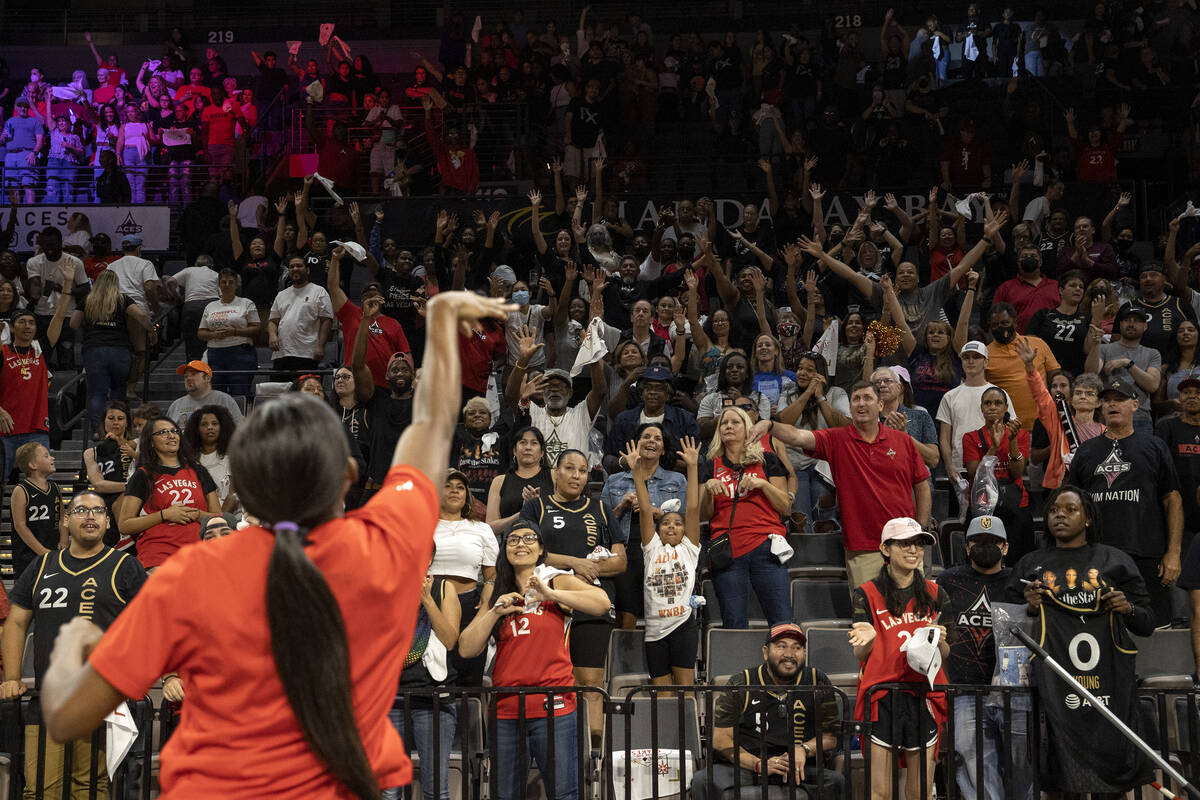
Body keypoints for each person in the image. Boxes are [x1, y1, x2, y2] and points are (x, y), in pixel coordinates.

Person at [38, 292, 513, 798]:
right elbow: (432, 427)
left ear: (243, 486)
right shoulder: (381, 546)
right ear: (348, 474)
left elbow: (67, 717)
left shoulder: (193, 572)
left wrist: (74, 648)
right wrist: (440, 325)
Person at [1006, 486, 1154, 795]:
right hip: (1053, 694)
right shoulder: (1030, 565)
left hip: (1109, 692)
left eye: (1070, 509)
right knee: (1061, 784)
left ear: (1088, 518)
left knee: (1112, 785)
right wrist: (1028, 608)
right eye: (1054, 509)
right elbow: (1007, 629)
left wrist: (1127, 608)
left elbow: (1147, 623)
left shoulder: (1115, 560)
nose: (1059, 514)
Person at [0, 490, 147, 800]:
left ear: (109, 522)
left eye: (97, 511)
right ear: (65, 520)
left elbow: (151, 625)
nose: (90, 516)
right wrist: (12, 677)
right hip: (47, 699)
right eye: (81, 511)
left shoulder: (125, 566)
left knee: (89, 790)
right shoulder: (42, 566)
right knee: (39, 789)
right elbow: (15, 622)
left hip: (100, 700)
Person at [458, 518, 610, 800]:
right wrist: (495, 612)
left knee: (564, 794)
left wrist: (550, 594)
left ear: (541, 549)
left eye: (529, 538)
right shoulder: (496, 590)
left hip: (554, 706)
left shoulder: (555, 578)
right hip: (506, 708)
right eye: (513, 540)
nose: (520, 544)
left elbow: (601, 602)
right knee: (505, 795)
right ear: (504, 551)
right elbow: (467, 648)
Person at [765, 380, 932, 588]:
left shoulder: (903, 441)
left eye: (868, 398)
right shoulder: (837, 439)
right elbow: (797, 436)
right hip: (862, 547)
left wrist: (921, 528)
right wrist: (770, 425)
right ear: (850, 407)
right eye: (856, 399)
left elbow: (922, 485)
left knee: (912, 615)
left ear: (880, 406)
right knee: (868, 617)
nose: (861, 404)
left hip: (905, 543)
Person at [521, 449, 626, 743]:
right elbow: (527, 550)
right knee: (553, 680)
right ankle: (554, 746)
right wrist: (573, 563)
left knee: (590, 682)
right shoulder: (535, 507)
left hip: (592, 602)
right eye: (570, 468)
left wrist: (587, 573)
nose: (577, 475)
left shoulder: (601, 509)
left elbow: (620, 561)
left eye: (582, 470)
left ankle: (592, 756)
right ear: (556, 473)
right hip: (547, 602)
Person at [1066, 375, 1183, 625]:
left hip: (1147, 554)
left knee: (1153, 628)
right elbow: (1071, 506)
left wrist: (1173, 552)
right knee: (1097, 628)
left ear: (1135, 404)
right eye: (1106, 400)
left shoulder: (1155, 447)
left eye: (1119, 399)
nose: (1112, 404)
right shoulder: (1085, 452)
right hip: (1095, 557)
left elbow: (1172, 500)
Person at [848, 517, 949, 800]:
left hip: (924, 696)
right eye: (904, 543)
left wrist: (941, 642)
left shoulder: (937, 593)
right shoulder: (865, 594)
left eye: (918, 544)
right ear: (885, 548)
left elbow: (946, 653)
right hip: (882, 696)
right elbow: (860, 653)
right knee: (880, 792)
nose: (913, 550)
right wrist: (866, 640)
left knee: (919, 792)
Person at [936, 515, 1032, 800]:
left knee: (1022, 764)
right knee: (975, 764)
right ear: (966, 547)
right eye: (978, 541)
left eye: (992, 542)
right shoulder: (948, 580)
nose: (984, 546)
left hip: (1014, 688)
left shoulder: (1020, 583)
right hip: (964, 689)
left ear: (1005, 547)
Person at [692, 623, 843, 800]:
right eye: (781, 646)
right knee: (703, 781)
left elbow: (830, 737)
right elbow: (720, 740)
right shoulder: (741, 682)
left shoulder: (818, 681)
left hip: (798, 768)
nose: (789, 654)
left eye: (797, 648)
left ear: (804, 653)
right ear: (765, 652)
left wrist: (803, 749)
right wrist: (757, 763)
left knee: (835, 781)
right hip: (749, 765)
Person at [701, 405, 792, 628]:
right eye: (724, 423)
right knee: (733, 623)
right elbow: (704, 514)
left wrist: (762, 484)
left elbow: (785, 508)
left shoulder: (767, 460)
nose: (728, 426)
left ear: (747, 428)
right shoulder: (710, 465)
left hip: (766, 548)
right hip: (728, 552)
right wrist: (708, 490)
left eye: (735, 422)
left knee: (782, 621)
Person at [628, 435, 702, 686]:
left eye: (677, 524)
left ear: (684, 530)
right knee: (663, 695)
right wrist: (637, 474)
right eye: (666, 523)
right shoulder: (651, 549)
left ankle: (689, 727)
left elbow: (692, 508)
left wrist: (692, 467)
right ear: (658, 530)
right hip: (655, 631)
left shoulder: (689, 549)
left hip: (683, 626)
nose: (671, 526)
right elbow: (646, 510)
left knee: (685, 689)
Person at [603, 421, 688, 630]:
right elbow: (602, 524)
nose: (651, 441)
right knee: (625, 614)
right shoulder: (614, 481)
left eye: (657, 438)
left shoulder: (677, 480)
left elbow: (685, 522)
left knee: (661, 610)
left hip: (663, 551)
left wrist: (655, 511)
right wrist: (622, 505)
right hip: (625, 550)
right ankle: (627, 658)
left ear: (663, 449)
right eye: (646, 437)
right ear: (636, 444)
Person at [390, 552, 460, 800]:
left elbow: (450, 641)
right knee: (389, 791)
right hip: (390, 699)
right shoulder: (382, 588)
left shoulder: (443, 588)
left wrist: (427, 601)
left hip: (433, 700)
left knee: (436, 790)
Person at [116, 416, 222, 569]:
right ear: (151, 442)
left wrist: (197, 514)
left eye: (174, 431)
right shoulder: (142, 475)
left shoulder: (199, 471)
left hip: (200, 553)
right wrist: (164, 515)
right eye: (163, 432)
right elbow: (125, 525)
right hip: (159, 556)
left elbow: (218, 518)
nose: (171, 435)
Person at [431, 469, 498, 687]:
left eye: (460, 487)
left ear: (467, 495)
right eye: (448, 486)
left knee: (468, 676)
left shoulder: (481, 529)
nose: (454, 491)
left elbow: (491, 574)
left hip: (470, 605)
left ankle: (469, 720)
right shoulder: (422, 525)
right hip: (430, 604)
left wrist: (488, 591)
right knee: (432, 672)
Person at [0, 291, 72, 486]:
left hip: (37, 429)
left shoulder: (40, 350)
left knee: (40, 483)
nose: (27, 326)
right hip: (5, 430)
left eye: (31, 322)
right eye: (22, 322)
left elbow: (58, 317)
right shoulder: (3, 352)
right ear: (12, 328)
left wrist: (66, 287)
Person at [72, 268, 157, 431]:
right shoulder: (122, 299)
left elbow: (73, 323)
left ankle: (97, 430)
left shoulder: (88, 300)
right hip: (119, 350)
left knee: (97, 392)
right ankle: (117, 430)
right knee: (119, 390)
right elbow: (142, 316)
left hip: (94, 349)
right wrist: (152, 332)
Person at [962, 386, 1034, 561]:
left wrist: (1012, 440)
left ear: (1006, 407)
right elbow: (974, 474)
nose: (992, 407)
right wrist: (994, 446)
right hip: (982, 506)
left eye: (997, 403)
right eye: (987, 403)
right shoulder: (971, 437)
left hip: (1015, 506)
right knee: (981, 559)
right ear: (981, 408)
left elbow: (1016, 472)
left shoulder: (1021, 434)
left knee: (1017, 560)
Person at [1086, 305, 1162, 435]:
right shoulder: (1105, 349)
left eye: (1136, 321)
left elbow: (1152, 385)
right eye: (1127, 320)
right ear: (1120, 324)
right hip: (1108, 415)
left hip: (1140, 417)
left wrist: (1127, 363)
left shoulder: (1152, 353)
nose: (1131, 324)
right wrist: (1095, 345)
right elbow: (1090, 375)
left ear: (1145, 326)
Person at [985, 304, 1060, 432]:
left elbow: (1056, 377)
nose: (1000, 328)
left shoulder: (1037, 344)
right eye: (995, 325)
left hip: (1043, 425)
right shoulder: (986, 353)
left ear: (1015, 323)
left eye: (1004, 322)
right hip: (1007, 429)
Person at [106, 235, 161, 398]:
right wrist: (156, 308)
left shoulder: (112, 265)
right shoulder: (145, 264)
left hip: (114, 309)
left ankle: (113, 388)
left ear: (123, 249)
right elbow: (150, 287)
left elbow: (105, 288)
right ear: (139, 249)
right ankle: (130, 389)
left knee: (116, 351)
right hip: (136, 309)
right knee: (140, 352)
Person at [198, 268, 261, 400]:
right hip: (215, 353)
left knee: (240, 393)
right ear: (219, 284)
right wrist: (214, 335)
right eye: (224, 282)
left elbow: (256, 328)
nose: (227, 285)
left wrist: (235, 332)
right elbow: (201, 332)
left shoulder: (246, 303)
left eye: (231, 282)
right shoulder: (210, 306)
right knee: (215, 394)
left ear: (236, 284)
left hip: (240, 352)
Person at [269, 256, 334, 376]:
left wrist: (320, 346)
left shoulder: (319, 291)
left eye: (299, 266)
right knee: (280, 393)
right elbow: (273, 321)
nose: (295, 269)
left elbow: (326, 321)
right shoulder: (281, 294)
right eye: (292, 266)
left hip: (307, 353)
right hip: (281, 353)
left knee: (303, 393)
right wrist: (272, 336)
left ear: (308, 270)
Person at [9, 442, 65, 579]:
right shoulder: (21, 490)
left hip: (53, 553)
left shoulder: (55, 487)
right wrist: (42, 551)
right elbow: (20, 526)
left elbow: (63, 518)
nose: (52, 458)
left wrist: (64, 541)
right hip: (28, 558)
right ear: (33, 465)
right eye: (46, 456)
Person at [82, 402, 137, 539]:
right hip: (105, 499)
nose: (116, 423)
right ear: (104, 421)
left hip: (132, 498)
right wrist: (129, 486)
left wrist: (119, 442)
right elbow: (99, 484)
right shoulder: (91, 452)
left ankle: (127, 538)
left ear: (127, 422)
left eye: (120, 418)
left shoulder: (135, 446)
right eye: (111, 418)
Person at [486, 426, 555, 533]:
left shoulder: (555, 476)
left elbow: (565, 514)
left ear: (542, 452)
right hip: (512, 543)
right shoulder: (499, 481)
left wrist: (537, 507)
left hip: (548, 542)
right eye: (523, 442)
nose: (528, 447)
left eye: (534, 443)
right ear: (514, 450)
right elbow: (490, 527)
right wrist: (524, 512)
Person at [183, 405, 238, 512]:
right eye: (204, 424)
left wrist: (217, 521)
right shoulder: (188, 458)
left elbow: (233, 496)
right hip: (196, 514)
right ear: (196, 429)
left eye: (214, 424)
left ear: (223, 427)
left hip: (227, 516)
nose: (210, 427)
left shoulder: (234, 456)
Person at [166, 360, 244, 428]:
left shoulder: (225, 400)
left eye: (194, 374)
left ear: (207, 378)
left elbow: (239, 431)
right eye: (186, 376)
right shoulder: (176, 405)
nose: (189, 378)